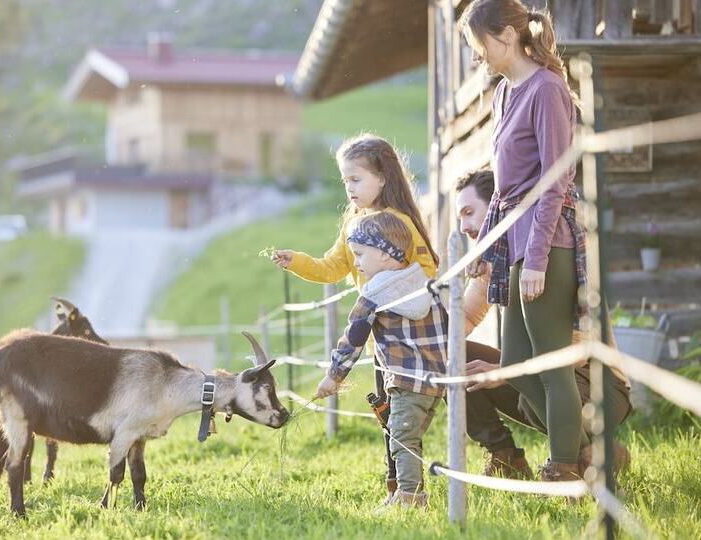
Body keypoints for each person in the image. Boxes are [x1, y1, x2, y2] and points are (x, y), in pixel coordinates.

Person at [460, 0, 590, 481]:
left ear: (507, 36)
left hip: (547, 244)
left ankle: (564, 466)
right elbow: (504, 188)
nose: (479, 56)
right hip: (514, 242)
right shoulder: (505, 94)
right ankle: (588, 447)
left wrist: (536, 259)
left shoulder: (548, 89)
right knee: (515, 363)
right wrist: (486, 247)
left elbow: (555, 182)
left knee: (551, 363)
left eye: (480, 45)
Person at [271, 133, 440, 503]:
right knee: (389, 415)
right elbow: (333, 267)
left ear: (383, 177)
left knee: (402, 417)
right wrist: (298, 261)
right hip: (378, 339)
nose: (349, 187)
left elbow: (426, 272)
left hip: (409, 337)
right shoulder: (354, 222)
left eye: (356, 179)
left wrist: (385, 290)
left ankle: (409, 490)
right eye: (345, 180)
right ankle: (397, 487)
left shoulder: (399, 223)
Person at [455, 169, 632, 478]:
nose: (464, 226)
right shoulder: (495, 264)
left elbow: (577, 348)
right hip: (536, 376)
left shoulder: (557, 254)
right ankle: (505, 456)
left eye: (470, 213)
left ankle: (592, 458)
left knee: (540, 382)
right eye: (460, 217)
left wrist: (506, 371)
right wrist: (422, 333)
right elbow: (466, 318)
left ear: (500, 208)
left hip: (597, 386)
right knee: (452, 354)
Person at [313, 212, 447, 509]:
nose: (356, 262)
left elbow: (354, 338)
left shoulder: (374, 291)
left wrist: (333, 376)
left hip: (404, 380)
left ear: (386, 255)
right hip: (436, 380)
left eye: (360, 254)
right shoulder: (423, 282)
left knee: (400, 439)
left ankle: (411, 498)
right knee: (408, 436)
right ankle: (408, 493)